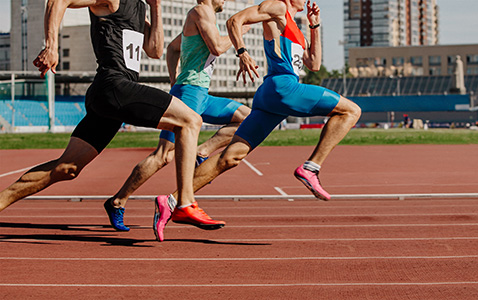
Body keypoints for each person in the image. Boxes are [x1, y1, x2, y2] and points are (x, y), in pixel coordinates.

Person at [152, 0, 362, 237]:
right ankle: (310, 168)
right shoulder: (278, 8)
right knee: (351, 111)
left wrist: (315, 26)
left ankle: (172, 201)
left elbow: (313, 63)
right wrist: (242, 52)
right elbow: (235, 21)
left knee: (230, 158)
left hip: (273, 97)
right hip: (283, 88)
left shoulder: (293, 24)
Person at [0, 0, 202, 222]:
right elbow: (58, 1)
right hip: (114, 85)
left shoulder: (139, 7)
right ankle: (184, 202)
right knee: (190, 120)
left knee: (67, 168)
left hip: (111, 95)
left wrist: (156, 7)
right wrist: (51, 46)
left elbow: (154, 50)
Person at [103, 0, 251, 240]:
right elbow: (216, 47)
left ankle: (202, 151)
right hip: (190, 93)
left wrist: (174, 80)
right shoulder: (200, 12)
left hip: (200, 94)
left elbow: (173, 48)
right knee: (163, 156)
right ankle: (117, 201)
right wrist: (239, 33)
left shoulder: (204, 18)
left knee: (248, 118)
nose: (224, 0)